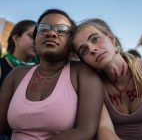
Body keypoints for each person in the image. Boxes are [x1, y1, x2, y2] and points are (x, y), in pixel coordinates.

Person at [0, 9, 104, 140]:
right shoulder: (16, 75)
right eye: (43, 29)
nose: (51, 33)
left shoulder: (83, 73)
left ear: (71, 42)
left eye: (61, 30)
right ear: (35, 39)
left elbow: (85, 131)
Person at [72, 18, 142, 140]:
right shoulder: (94, 86)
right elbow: (104, 128)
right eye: (84, 50)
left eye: (95, 39)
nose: (92, 49)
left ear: (111, 38)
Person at [0, 20, 38, 88]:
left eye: (38, 38)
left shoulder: (42, 69)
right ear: (16, 38)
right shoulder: (1, 65)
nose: (36, 42)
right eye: (32, 36)